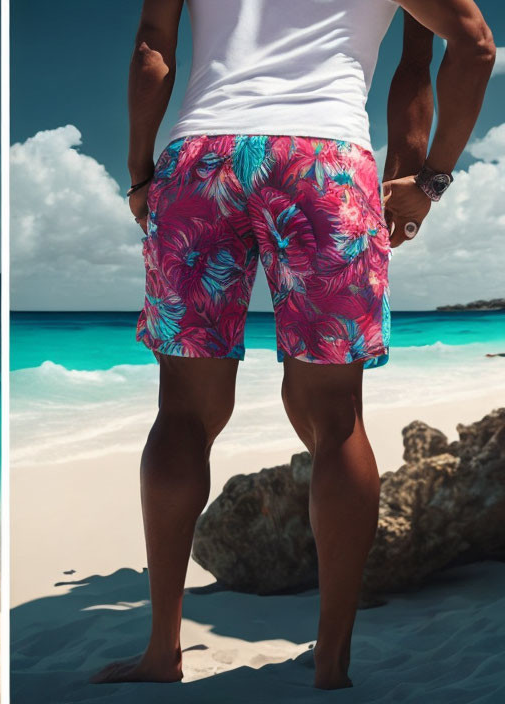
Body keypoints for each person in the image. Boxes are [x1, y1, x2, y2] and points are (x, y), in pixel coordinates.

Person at [93, 0, 495, 690]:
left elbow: (151, 52)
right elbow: (471, 45)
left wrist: (139, 174)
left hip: (201, 160)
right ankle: (332, 662)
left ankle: (163, 651)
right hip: (322, 161)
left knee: (183, 414)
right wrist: (428, 178)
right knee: (335, 420)